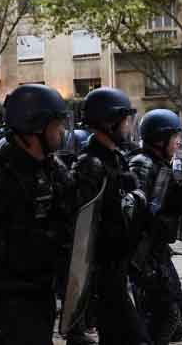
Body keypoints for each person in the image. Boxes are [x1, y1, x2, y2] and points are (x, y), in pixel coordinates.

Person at [0, 85, 71, 345]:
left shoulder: (52, 169)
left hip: (40, 296)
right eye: (56, 125)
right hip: (5, 305)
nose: (62, 131)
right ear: (35, 128)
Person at [73, 87, 149, 345]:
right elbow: (86, 227)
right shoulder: (90, 164)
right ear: (108, 123)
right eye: (125, 121)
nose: (128, 127)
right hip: (102, 273)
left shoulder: (116, 158)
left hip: (119, 268)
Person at [127, 109, 182, 345]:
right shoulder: (142, 164)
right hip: (143, 251)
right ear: (160, 140)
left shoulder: (161, 162)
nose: (178, 142)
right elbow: (137, 210)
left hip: (157, 247)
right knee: (162, 311)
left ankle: (174, 328)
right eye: (174, 137)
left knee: (176, 301)